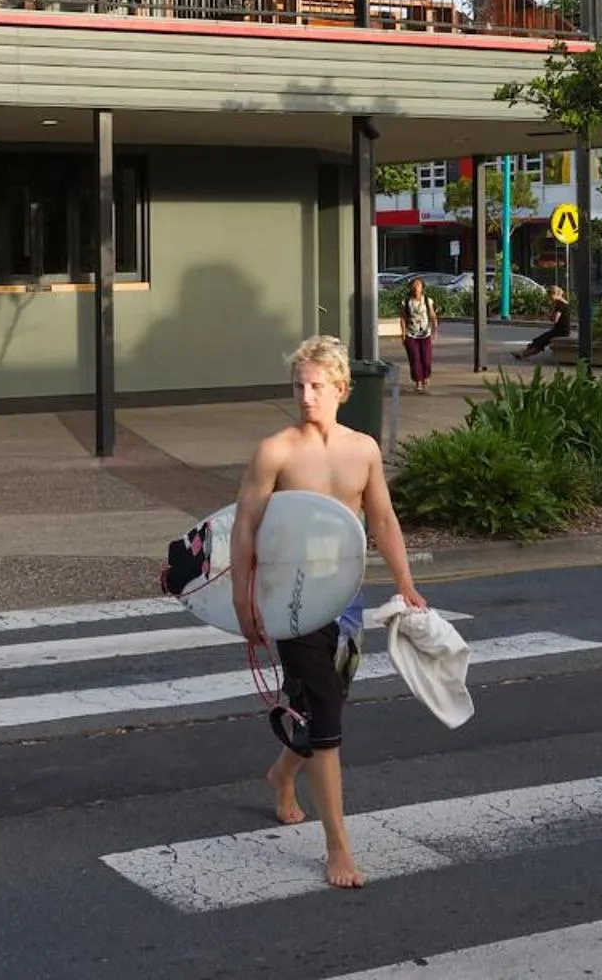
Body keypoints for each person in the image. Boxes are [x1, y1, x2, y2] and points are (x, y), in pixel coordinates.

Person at [233, 334, 427, 890]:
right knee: (327, 719)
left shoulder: (362, 450)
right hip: (291, 602)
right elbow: (244, 528)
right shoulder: (276, 451)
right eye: (299, 386)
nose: (306, 396)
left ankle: (282, 773)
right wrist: (243, 600)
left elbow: (383, 521)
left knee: (328, 705)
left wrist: (406, 583)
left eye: (317, 386)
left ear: (342, 389)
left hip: (344, 598)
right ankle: (338, 847)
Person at [398, 277, 436, 394]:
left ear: (422, 288)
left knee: (426, 358)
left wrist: (435, 329)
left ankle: (426, 376)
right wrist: (403, 333)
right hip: (411, 333)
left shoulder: (427, 300)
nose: (416, 288)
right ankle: (418, 381)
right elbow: (403, 317)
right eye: (414, 285)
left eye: (418, 285)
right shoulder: (406, 301)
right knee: (415, 358)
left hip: (425, 333)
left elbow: (432, 315)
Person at [516, 284, 570, 360]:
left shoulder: (560, 305)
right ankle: (524, 353)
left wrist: (547, 314)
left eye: (550, 297)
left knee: (541, 340)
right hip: (563, 330)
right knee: (541, 339)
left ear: (554, 295)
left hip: (560, 331)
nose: (550, 299)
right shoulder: (565, 303)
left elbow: (555, 320)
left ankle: (524, 354)